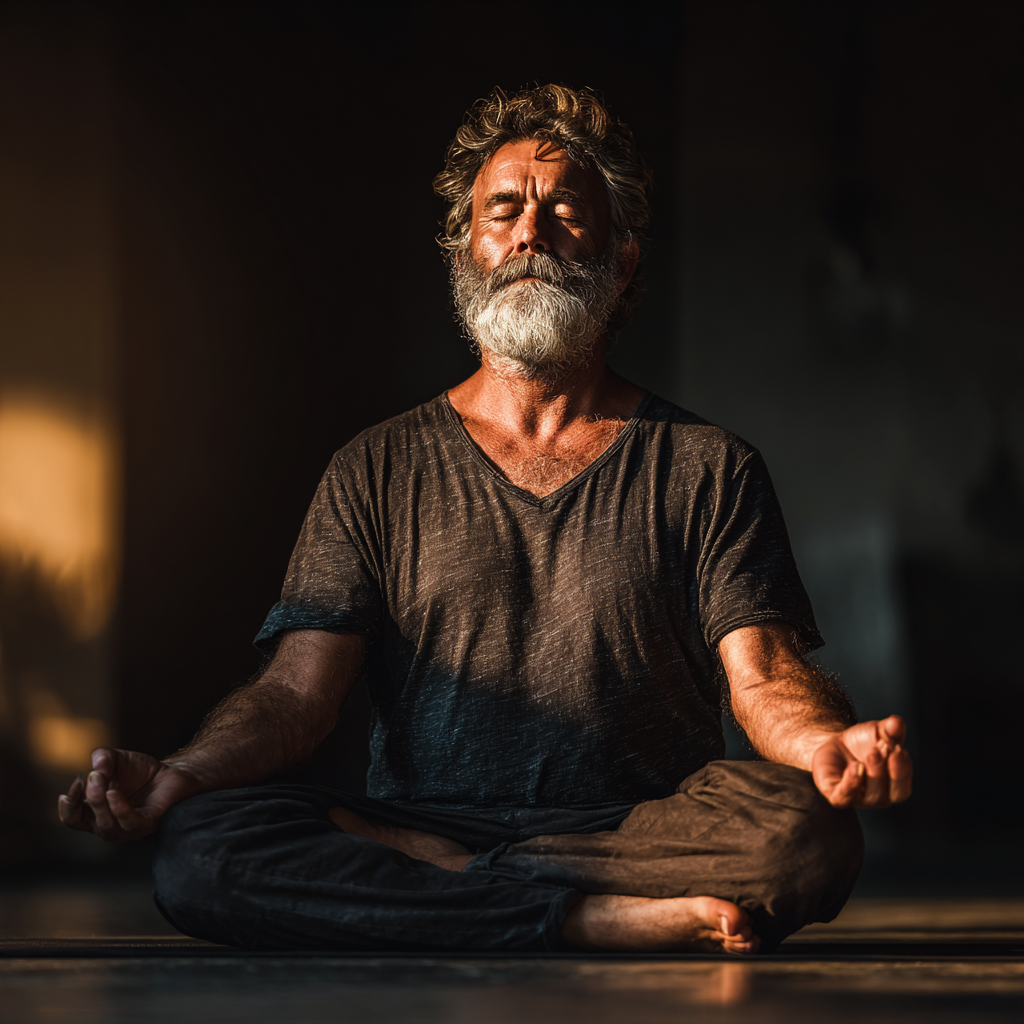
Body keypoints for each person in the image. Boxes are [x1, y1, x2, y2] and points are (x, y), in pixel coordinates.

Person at [58, 84, 911, 955]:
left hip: (630, 832)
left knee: (809, 834)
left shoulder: (708, 466)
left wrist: (824, 745)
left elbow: (763, 677)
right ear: (468, 253)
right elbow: (294, 694)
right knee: (200, 848)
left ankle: (465, 891)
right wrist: (181, 774)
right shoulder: (374, 467)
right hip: (421, 819)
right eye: (503, 211)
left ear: (620, 260)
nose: (530, 234)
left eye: (565, 212)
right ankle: (583, 921)